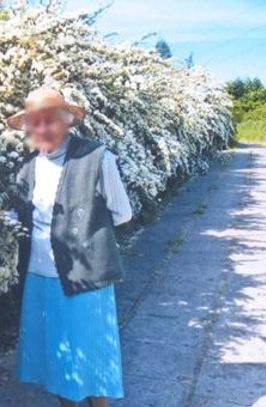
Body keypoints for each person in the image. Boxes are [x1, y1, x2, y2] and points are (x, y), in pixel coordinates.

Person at [6, 88, 132, 407]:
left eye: (50, 121)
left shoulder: (97, 158)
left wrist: (84, 229)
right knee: (59, 356)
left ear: (66, 122)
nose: (43, 129)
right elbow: (20, 215)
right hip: (39, 274)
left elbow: (122, 213)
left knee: (92, 354)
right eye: (36, 122)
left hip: (85, 275)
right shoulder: (28, 168)